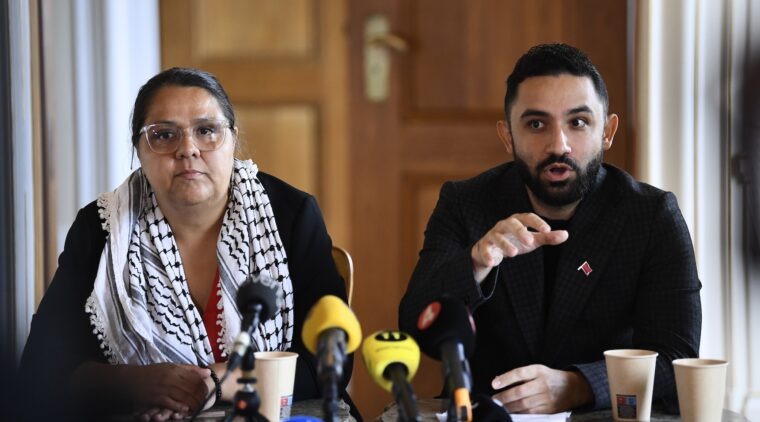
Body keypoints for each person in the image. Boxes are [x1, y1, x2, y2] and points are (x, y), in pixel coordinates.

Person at [18, 67, 358, 421]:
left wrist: (211, 383)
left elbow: (330, 363)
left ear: (232, 140)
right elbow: (41, 368)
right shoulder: (102, 228)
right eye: (164, 135)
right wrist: (135, 383)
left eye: (206, 131)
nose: (188, 150)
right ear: (139, 149)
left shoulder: (290, 215)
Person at [399, 44, 701, 414]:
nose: (559, 145)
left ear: (607, 132)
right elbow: (414, 326)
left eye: (578, 122)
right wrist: (475, 263)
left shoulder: (652, 216)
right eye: (537, 124)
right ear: (508, 136)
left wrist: (579, 385)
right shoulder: (465, 203)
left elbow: (678, 358)